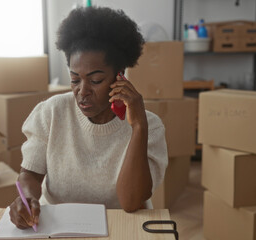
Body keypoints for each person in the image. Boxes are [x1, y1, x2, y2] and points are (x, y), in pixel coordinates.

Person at [9, 6, 168, 229]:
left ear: (119, 76)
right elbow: (30, 175)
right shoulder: (52, 112)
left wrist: (138, 126)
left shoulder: (149, 125)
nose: (82, 92)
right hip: (57, 226)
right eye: (75, 80)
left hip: (119, 227)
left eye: (95, 81)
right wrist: (26, 199)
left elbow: (131, 202)